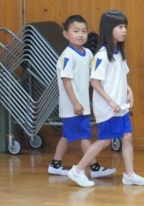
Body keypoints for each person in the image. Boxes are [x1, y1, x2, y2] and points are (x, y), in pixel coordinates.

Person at [68, 10, 144, 187]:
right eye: (120, 27)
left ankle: (129, 175)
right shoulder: (101, 55)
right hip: (108, 108)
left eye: (125, 27)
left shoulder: (119, 52)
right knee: (105, 139)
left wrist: (129, 91)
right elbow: (94, 81)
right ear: (109, 28)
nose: (124, 30)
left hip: (120, 107)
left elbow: (122, 76)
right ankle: (78, 170)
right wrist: (110, 101)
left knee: (127, 137)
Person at [47, 15, 116, 179]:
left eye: (84, 31)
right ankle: (94, 167)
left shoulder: (88, 53)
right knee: (85, 136)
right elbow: (66, 81)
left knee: (66, 135)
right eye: (76, 31)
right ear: (66, 34)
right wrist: (75, 102)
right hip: (73, 106)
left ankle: (55, 165)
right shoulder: (67, 56)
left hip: (81, 104)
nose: (80, 35)